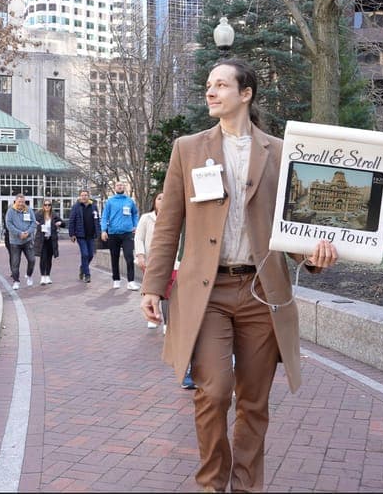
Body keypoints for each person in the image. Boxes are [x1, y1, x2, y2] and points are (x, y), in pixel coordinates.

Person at [139, 59, 338, 492]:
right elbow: (169, 223)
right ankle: (212, 484)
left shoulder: (281, 152)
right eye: (208, 85)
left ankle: (247, 486)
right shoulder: (187, 149)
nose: (210, 92)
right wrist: (153, 286)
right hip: (206, 294)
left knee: (253, 401)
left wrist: (316, 256)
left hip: (262, 293)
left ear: (245, 94)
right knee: (212, 392)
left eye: (221, 85)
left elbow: (297, 223)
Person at [100, 181, 140, 290]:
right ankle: (116, 279)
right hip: (113, 233)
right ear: (115, 188)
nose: (120, 186)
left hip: (127, 233)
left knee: (129, 256)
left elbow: (135, 214)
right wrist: (103, 230)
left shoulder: (129, 201)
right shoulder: (110, 201)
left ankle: (131, 281)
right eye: (118, 185)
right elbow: (104, 217)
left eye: (122, 185)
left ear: (124, 187)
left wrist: (135, 225)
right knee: (114, 257)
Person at [134, 191, 164, 329]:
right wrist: (140, 255)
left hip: (171, 261)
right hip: (151, 260)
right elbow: (139, 238)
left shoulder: (175, 218)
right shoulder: (146, 218)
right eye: (159, 198)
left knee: (168, 292)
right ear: (154, 202)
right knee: (151, 289)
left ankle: (168, 322)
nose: (162, 201)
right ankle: (152, 316)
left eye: (165, 198)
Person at [4, 193, 37, 291]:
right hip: (15, 242)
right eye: (19, 202)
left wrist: (28, 232)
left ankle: (29, 275)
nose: (21, 204)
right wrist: (19, 233)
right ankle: (16, 281)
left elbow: (33, 223)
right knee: (15, 262)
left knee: (32, 260)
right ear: (15, 201)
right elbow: (9, 224)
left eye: (23, 202)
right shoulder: (10, 211)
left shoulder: (29, 210)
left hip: (27, 240)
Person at [68, 189, 99, 284]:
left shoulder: (93, 207)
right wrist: (72, 234)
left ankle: (82, 267)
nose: (84, 197)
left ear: (88, 196)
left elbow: (97, 220)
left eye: (86, 195)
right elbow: (71, 221)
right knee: (85, 254)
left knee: (90, 255)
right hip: (81, 235)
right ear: (80, 197)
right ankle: (87, 274)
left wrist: (98, 232)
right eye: (82, 195)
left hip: (91, 235)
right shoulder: (76, 207)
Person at [34, 199, 65, 285]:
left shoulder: (54, 215)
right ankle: (42, 277)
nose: (47, 206)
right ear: (43, 206)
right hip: (42, 240)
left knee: (49, 259)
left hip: (51, 240)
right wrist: (35, 223)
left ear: (51, 206)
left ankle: (47, 276)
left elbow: (63, 223)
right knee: (43, 258)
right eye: (45, 205)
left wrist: (60, 223)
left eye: (49, 205)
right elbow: (31, 221)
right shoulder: (38, 214)